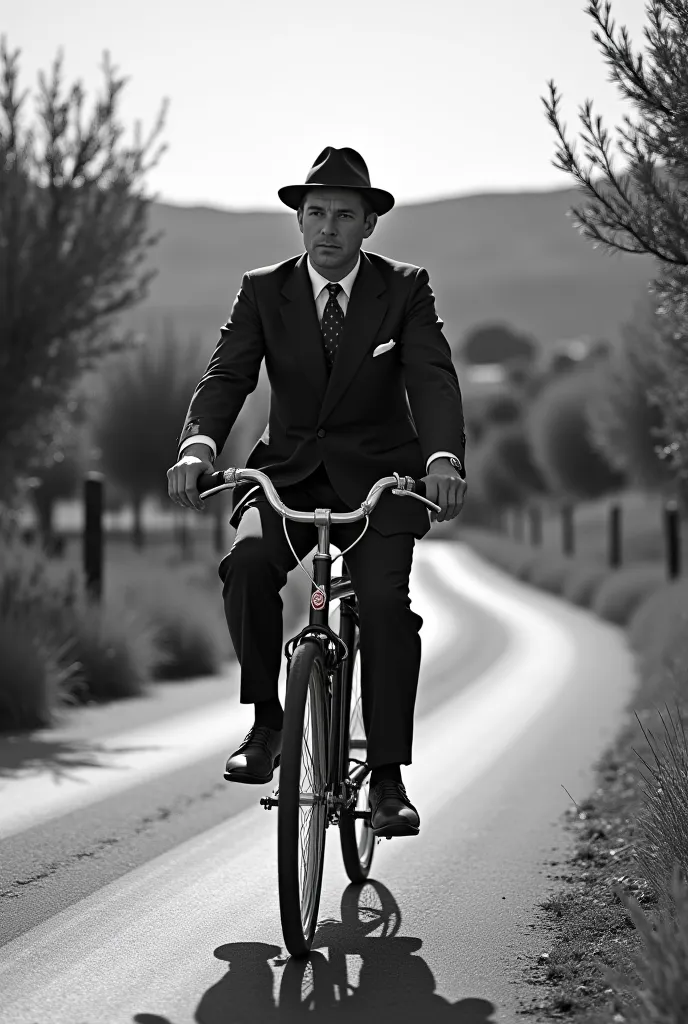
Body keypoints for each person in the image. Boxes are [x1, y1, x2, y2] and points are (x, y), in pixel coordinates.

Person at [167, 146, 467, 838]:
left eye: (344, 215)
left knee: (388, 607)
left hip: (382, 480)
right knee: (245, 564)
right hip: (287, 473)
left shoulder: (405, 289)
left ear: (369, 225)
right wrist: (197, 445)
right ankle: (267, 724)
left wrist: (443, 457)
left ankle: (387, 777)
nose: (328, 227)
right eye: (316, 214)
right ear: (300, 222)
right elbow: (226, 377)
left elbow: (433, 378)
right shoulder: (262, 290)